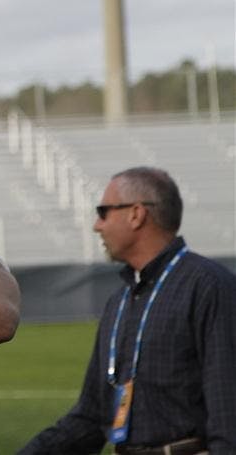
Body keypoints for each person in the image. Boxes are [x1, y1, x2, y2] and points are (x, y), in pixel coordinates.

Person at [19, 167, 236, 454]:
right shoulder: (120, 301)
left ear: (136, 214)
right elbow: (92, 417)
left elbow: (228, 411)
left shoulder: (208, 286)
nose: (97, 225)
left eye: (103, 212)